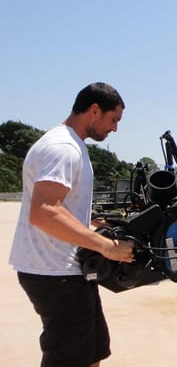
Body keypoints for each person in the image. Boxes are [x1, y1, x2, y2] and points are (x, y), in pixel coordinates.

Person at [9, 82, 135, 367]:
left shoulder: (68, 143)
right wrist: (107, 247)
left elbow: (58, 205)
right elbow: (43, 211)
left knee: (93, 352)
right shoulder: (63, 147)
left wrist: (92, 221)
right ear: (94, 110)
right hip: (54, 274)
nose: (115, 129)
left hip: (66, 271)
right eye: (113, 119)